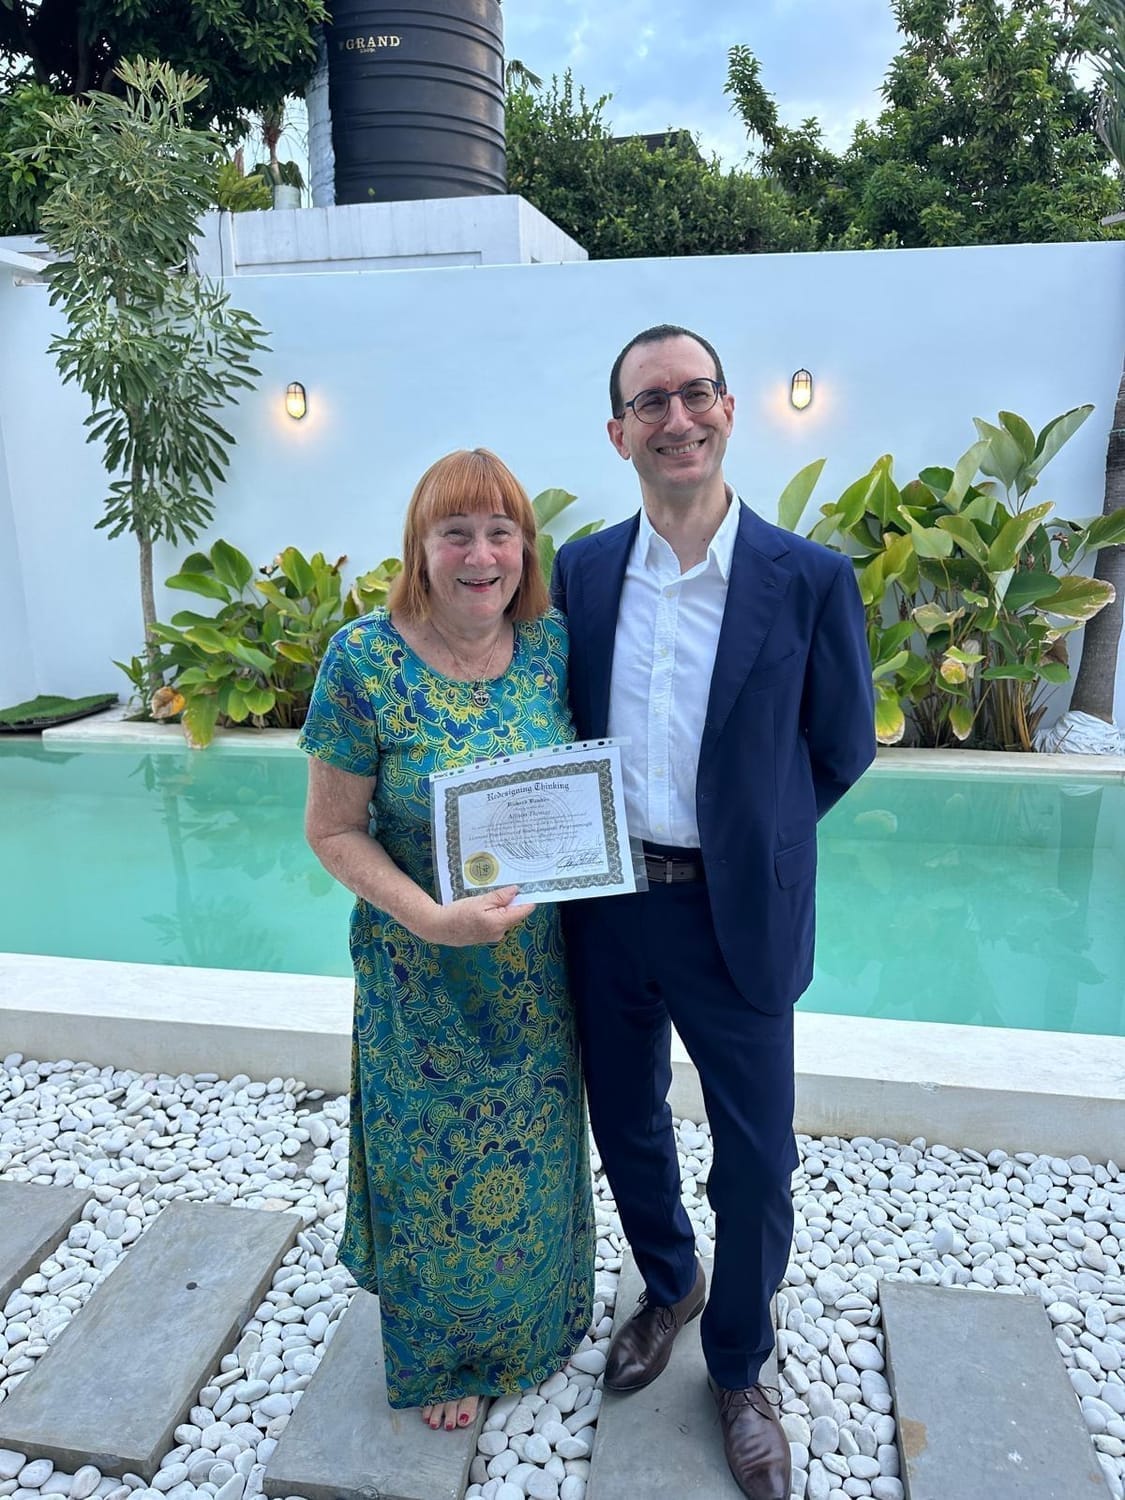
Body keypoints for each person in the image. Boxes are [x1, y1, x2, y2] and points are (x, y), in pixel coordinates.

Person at [552, 326, 875, 1500]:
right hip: (609, 902)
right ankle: (670, 1282)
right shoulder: (583, 572)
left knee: (756, 1159)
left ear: (730, 411)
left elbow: (842, 745)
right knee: (626, 1119)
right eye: (651, 402)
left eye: (696, 395)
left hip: (736, 912)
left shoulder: (809, 577)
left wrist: (757, 838)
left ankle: (740, 1367)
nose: (676, 418)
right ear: (619, 432)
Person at [300, 447, 594, 1433]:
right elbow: (331, 830)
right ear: (419, 549)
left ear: (525, 548)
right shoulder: (363, 661)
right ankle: (450, 1354)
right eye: (455, 534)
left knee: (538, 1148)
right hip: (419, 973)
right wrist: (433, 918)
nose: (481, 556)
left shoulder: (550, 645)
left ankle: (542, 1321)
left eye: (501, 533)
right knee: (434, 1165)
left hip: (537, 974)